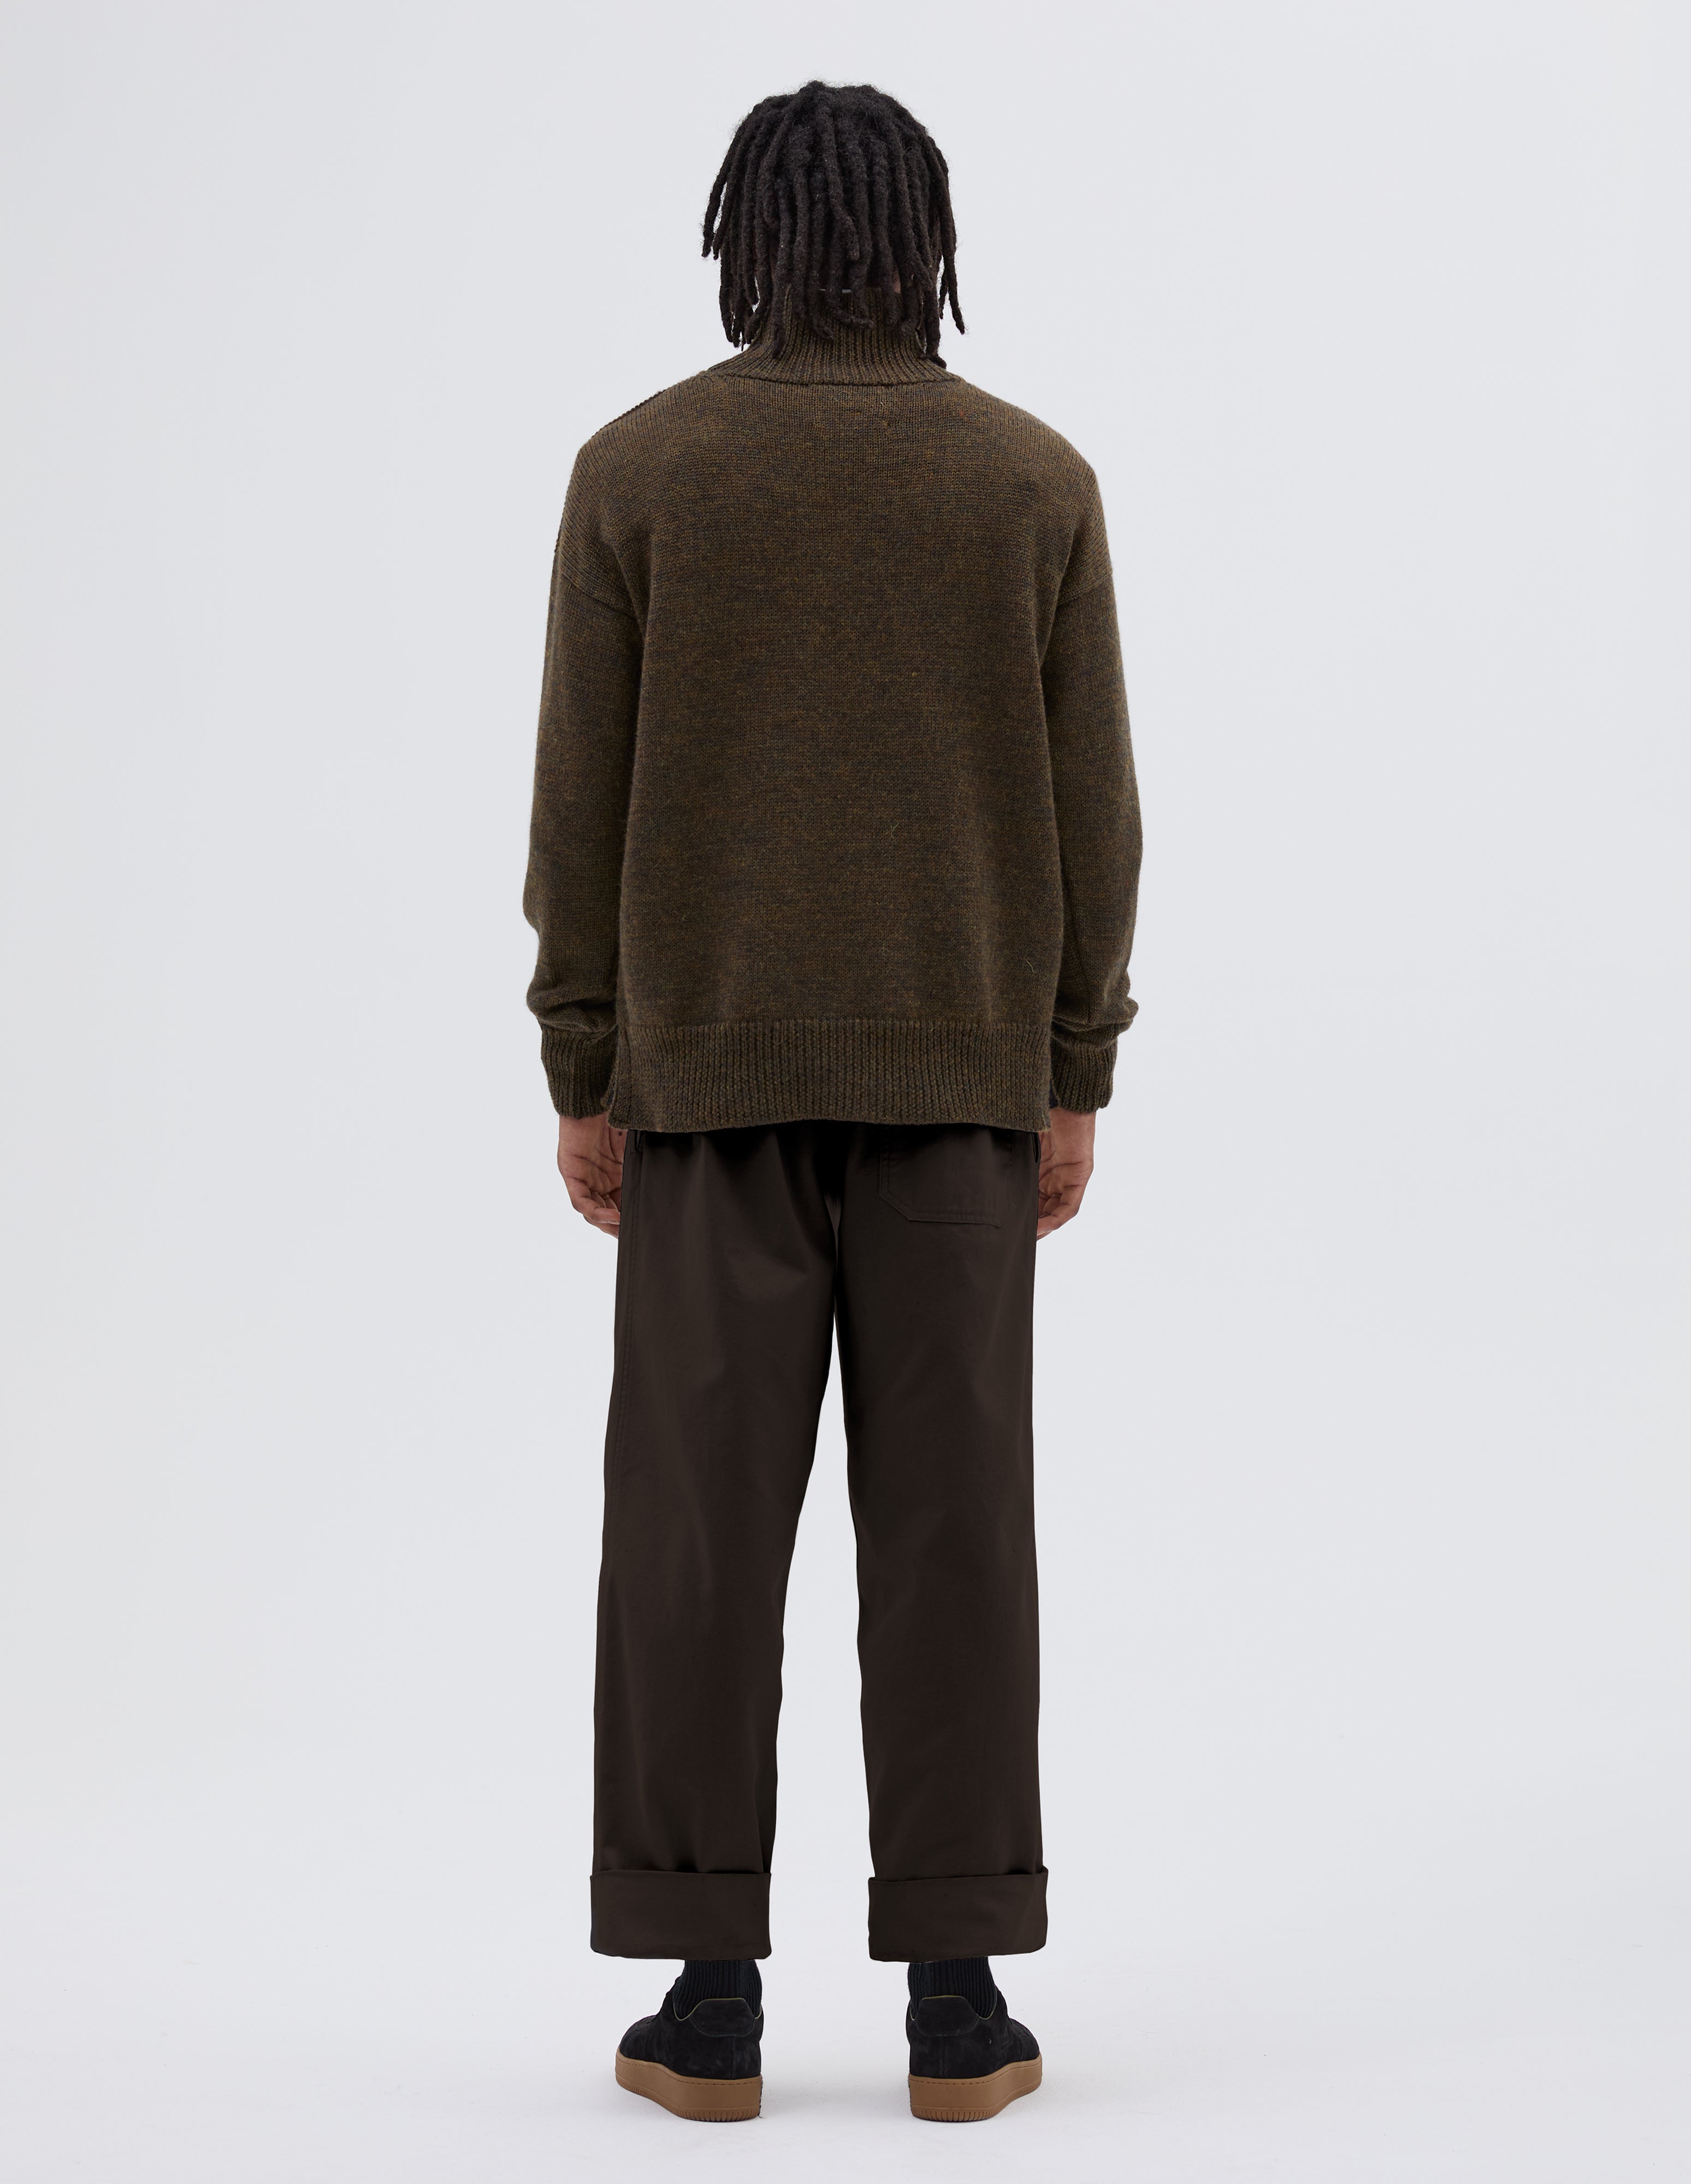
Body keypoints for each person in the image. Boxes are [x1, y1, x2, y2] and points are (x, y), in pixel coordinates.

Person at [523, 78, 1141, 2125]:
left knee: (692, 1538)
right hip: (963, 1087)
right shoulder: (1032, 482)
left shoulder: (641, 472)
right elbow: (1098, 813)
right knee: (957, 1531)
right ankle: (960, 2002)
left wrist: (586, 1061)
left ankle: (708, 1999)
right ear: (921, 235)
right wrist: (1072, 1069)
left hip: (705, 1089)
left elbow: (578, 802)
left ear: (750, 239)